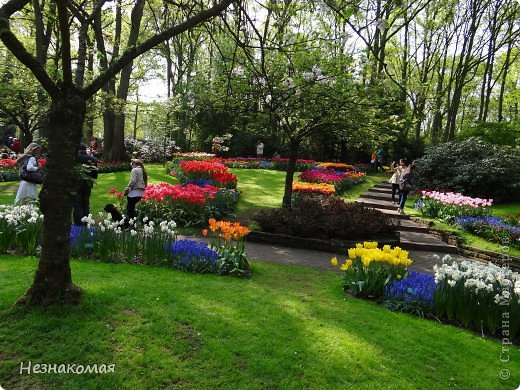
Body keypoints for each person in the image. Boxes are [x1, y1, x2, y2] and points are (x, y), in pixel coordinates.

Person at [73, 143, 98, 226]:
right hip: (88, 183)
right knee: (85, 203)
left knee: (77, 204)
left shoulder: (74, 158)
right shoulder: (93, 159)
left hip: (76, 183)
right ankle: (86, 221)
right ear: (85, 149)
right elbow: (95, 175)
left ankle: (77, 223)